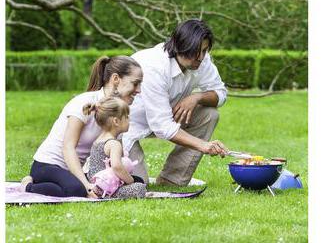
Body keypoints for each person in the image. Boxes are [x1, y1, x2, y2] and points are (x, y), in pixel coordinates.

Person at [122, 19, 228, 186]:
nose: (200, 57)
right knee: (138, 185)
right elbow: (162, 127)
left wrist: (196, 97)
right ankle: (92, 164)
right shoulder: (154, 67)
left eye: (205, 50)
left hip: (164, 116)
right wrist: (204, 146)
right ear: (180, 45)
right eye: (196, 51)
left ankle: (172, 180)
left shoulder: (202, 60)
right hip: (124, 126)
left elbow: (221, 93)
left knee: (209, 114)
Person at [20, 55, 143, 198]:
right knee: (76, 190)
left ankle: (78, 183)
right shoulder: (84, 102)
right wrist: (87, 185)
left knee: (138, 181)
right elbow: (68, 147)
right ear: (116, 79)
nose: (139, 90)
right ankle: (28, 186)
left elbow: (112, 157)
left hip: (73, 169)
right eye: (135, 83)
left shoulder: (118, 112)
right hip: (48, 166)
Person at [83, 97, 146, 199]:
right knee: (139, 186)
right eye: (126, 117)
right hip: (106, 187)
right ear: (116, 121)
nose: (129, 120)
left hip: (95, 183)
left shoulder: (98, 139)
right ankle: (107, 195)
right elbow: (117, 167)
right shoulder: (113, 144)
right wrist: (130, 181)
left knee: (138, 180)